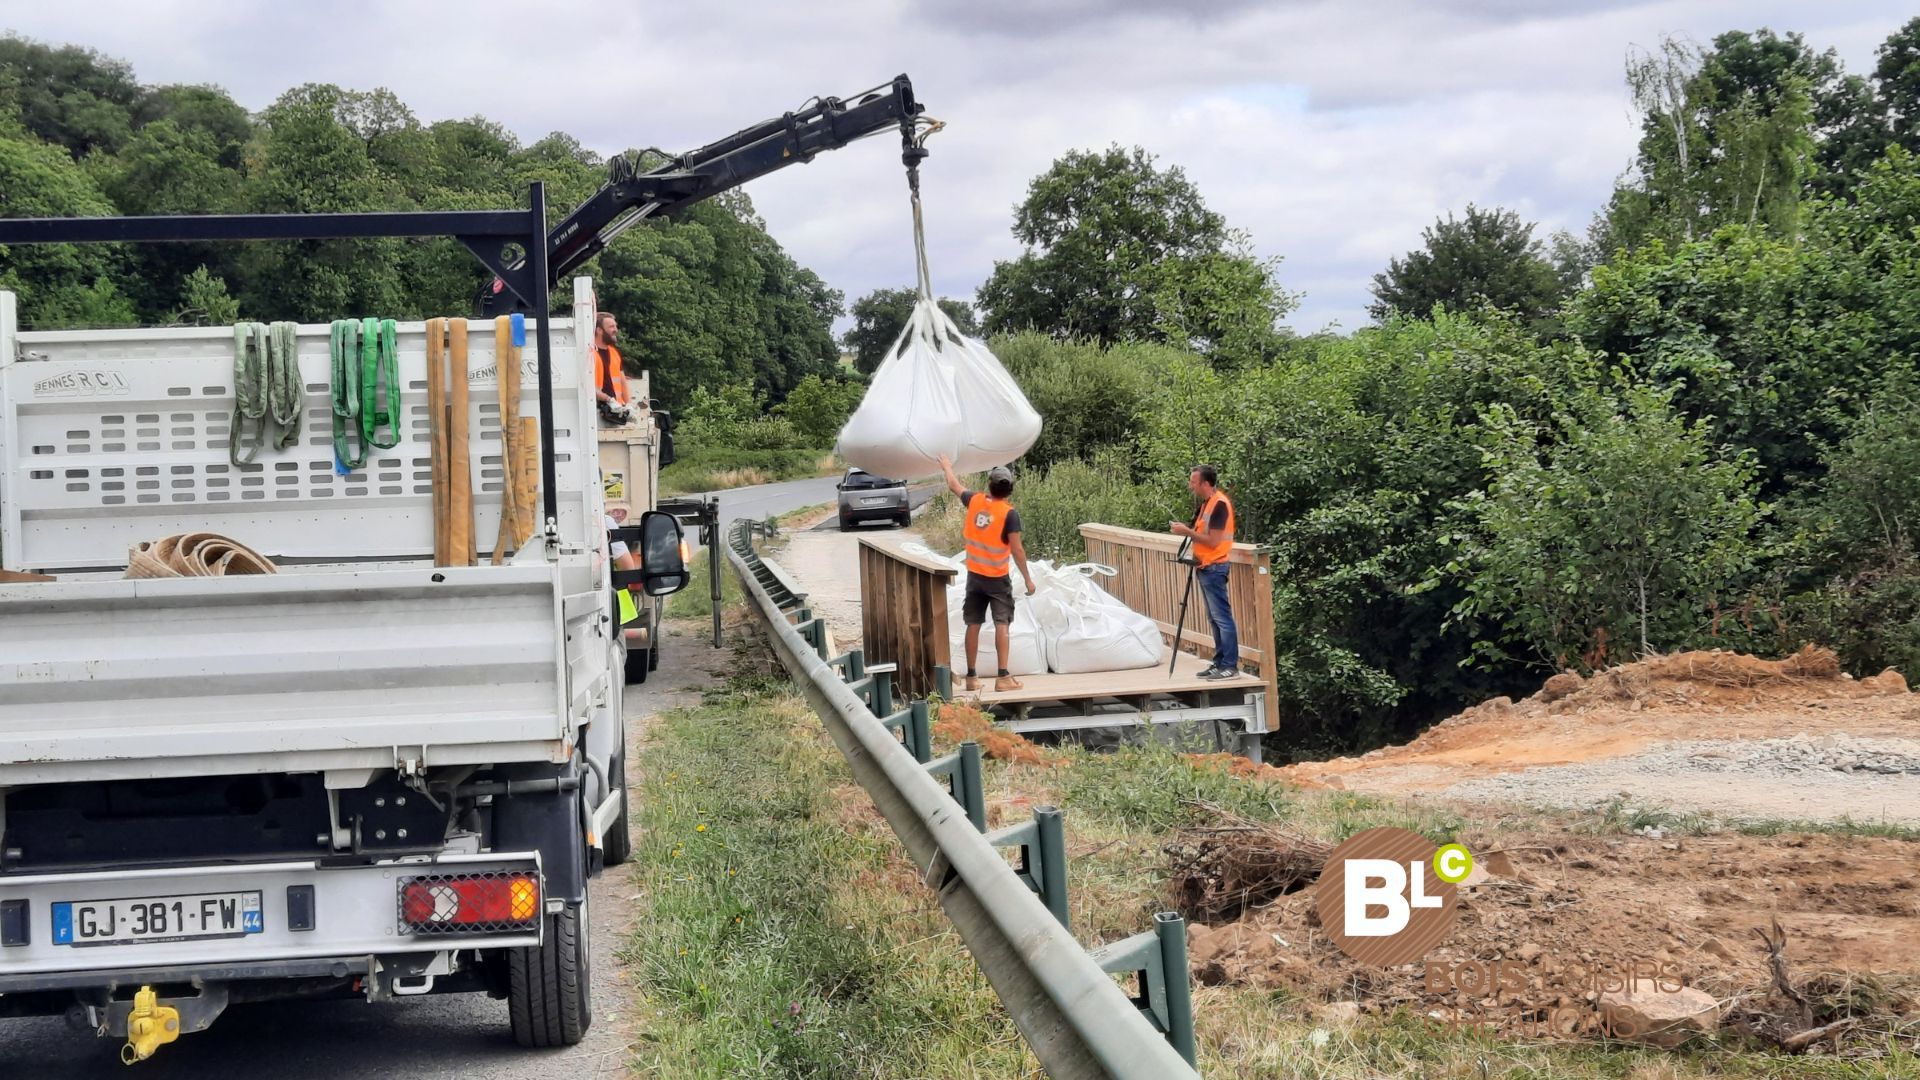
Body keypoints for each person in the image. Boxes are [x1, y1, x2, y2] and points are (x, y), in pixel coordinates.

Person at [939, 454, 1035, 692]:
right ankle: (1003, 677)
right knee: (1002, 623)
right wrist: (1028, 579)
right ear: (1010, 489)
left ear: (989, 484)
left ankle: (972, 677)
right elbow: (1017, 550)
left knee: (973, 623)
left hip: (974, 576)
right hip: (997, 578)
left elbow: (953, 485)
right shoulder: (1009, 514)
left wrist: (947, 466)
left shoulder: (974, 501)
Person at [1170, 464, 1238, 679]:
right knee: (1214, 618)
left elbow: (1214, 540)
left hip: (1215, 566)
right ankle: (1218, 663)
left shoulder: (1219, 505)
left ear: (1205, 483)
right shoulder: (1207, 504)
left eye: (1194, 482)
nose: (1191, 486)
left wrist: (1186, 531)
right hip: (1205, 565)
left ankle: (1230, 666)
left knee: (1222, 618)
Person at [592, 312, 631, 425]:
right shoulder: (590, 354)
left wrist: (629, 404)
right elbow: (587, 387)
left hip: (616, 413)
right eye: (611, 327)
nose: (616, 330)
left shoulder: (614, 353)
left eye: (615, 326)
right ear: (599, 330)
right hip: (597, 413)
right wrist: (608, 399)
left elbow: (622, 382)